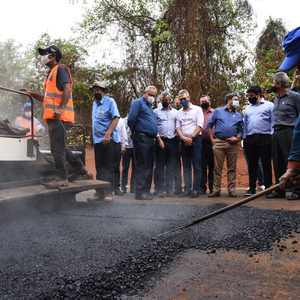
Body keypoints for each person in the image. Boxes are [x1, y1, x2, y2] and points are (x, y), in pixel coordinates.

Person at [20, 45, 87, 189]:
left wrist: (61, 108)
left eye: (45, 53)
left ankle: (61, 177)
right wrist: (30, 93)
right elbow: (46, 98)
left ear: (53, 55)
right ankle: (80, 168)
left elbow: (67, 88)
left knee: (57, 148)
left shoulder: (60, 69)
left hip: (59, 117)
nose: (42, 56)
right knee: (61, 147)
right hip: (55, 117)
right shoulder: (50, 74)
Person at [265, 72, 300, 199]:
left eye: (273, 83)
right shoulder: (276, 99)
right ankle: (280, 190)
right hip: (277, 132)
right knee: (277, 161)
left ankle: (297, 190)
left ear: (279, 84)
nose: (272, 85)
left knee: (290, 161)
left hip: (289, 131)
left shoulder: (294, 97)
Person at [87, 81, 120, 202]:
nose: (95, 93)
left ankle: (108, 192)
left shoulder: (110, 102)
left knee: (108, 166)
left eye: (97, 91)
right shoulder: (94, 104)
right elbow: (95, 121)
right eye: (94, 91)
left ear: (103, 92)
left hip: (108, 140)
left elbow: (116, 118)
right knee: (99, 166)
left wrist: (108, 133)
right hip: (97, 141)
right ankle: (99, 192)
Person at [207, 93, 243, 197]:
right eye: (235, 99)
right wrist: (212, 140)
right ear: (228, 100)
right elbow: (209, 125)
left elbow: (240, 130)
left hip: (232, 144)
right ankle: (216, 190)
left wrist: (237, 138)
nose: (237, 101)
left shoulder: (238, 115)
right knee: (217, 168)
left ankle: (231, 189)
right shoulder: (218, 111)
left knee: (232, 168)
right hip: (219, 142)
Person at [128, 86, 158, 200]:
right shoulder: (137, 103)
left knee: (149, 166)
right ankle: (139, 192)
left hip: (150, 139)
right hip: (141, 137)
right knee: (141, 164)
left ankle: (146, 190)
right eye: (150, 95)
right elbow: (131, 120)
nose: (152, 97)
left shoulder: (150, 107)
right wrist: (133, 131)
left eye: (154, 96)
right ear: (144, 93)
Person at [243, 85, 274, 197]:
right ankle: (252, 188)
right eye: (249, 96)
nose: (250, 98)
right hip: (250, 139)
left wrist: (271, 134)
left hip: (265, 137)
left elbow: (273, 121)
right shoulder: (248, 109)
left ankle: (268, 188)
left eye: (252, 96)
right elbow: (245, 124)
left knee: (266, 164)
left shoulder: (269, 105)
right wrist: (245, 137)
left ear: (258, 95)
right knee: (252, 164)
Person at [176, 89, 204, 198]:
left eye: (184, 98)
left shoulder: (197, 110)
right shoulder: (178, 113)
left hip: (196, 140)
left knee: (196, 166)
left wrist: (191, 137)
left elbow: (200, 125)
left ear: (189, 98)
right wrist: (183, 138)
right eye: (181, 99)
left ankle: (195, 189)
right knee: (186, 166)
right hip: (184, 141)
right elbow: (178, 127)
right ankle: (187, 189)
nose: (183, 101)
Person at [154, 91, 177, 197]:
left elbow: (178, 127)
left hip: (172, 142)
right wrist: (159, 140)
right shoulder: (156, 112)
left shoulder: (176, 112)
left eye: (166, 101)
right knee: (159, 167)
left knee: (171, 166)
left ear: (170, 100)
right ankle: (159, 189)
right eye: (163, 101)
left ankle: (169, 189)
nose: (164, 102)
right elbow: (154, 127)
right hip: (160, 142)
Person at [199, 95, 214, 195]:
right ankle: (202, 187)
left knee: (213, 167)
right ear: (200, 103)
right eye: (202, 101)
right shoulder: (197, 112)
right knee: (202, 167)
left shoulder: (215, 113)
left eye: (206, 101)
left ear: (210, 102)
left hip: (212, 143)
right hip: (200, 144)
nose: (204, 103)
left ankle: (213, 187)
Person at [121, 115, 136, 193]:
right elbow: (122, 134)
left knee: (135, 168)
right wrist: (123, 145)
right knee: (125, 168)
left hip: (135, 147)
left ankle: (133, 187)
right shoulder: (124, 121)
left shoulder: (138, 119)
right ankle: (123, 187)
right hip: (126, 148)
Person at [114, 117, 128, 195]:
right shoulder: (106, 119)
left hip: (117, 144)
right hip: (107, 143)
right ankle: (107, 188)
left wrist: (124, 146)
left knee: (116, 167)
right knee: (107, 167)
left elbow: (123, 133)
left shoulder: (121, 120)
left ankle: (116, 188)